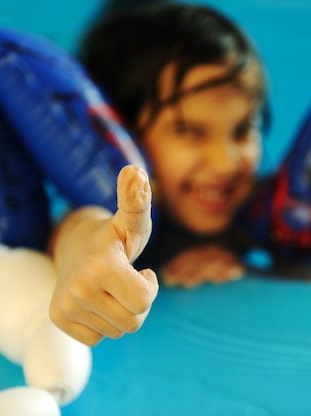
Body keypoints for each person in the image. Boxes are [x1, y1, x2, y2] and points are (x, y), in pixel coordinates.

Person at [49, 2, 275, 346]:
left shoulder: (268, 212)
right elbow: (76, 235)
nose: (227, 163)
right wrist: (84, 253)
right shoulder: (111, 217)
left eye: (243, 130)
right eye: (189, 131)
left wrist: (252, 275)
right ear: (124, 142)